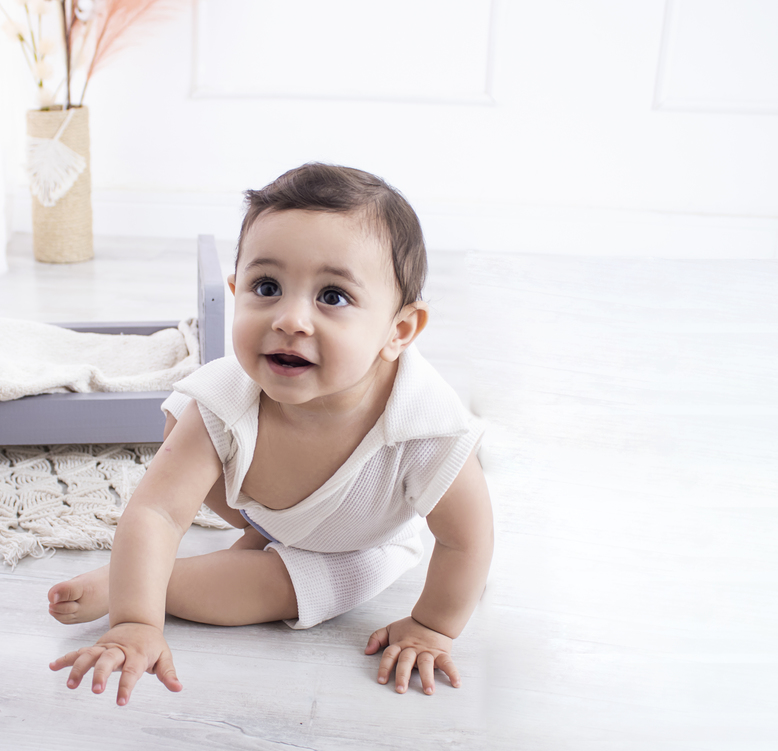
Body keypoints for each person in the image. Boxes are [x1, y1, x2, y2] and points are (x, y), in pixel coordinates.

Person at [47, 163, 494, 705]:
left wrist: (433, 626)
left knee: (277, 590)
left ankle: (152, 584)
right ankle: (139, 588)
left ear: (397, 331)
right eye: (267, 287)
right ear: (238, 293)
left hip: (357, 539)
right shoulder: (226, 398)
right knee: (182, 426)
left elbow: (465, 539)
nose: (291, 319)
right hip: (263, 505)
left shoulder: (424, 425)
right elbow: (157, 511)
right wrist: (135, 625)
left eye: (332, 297)